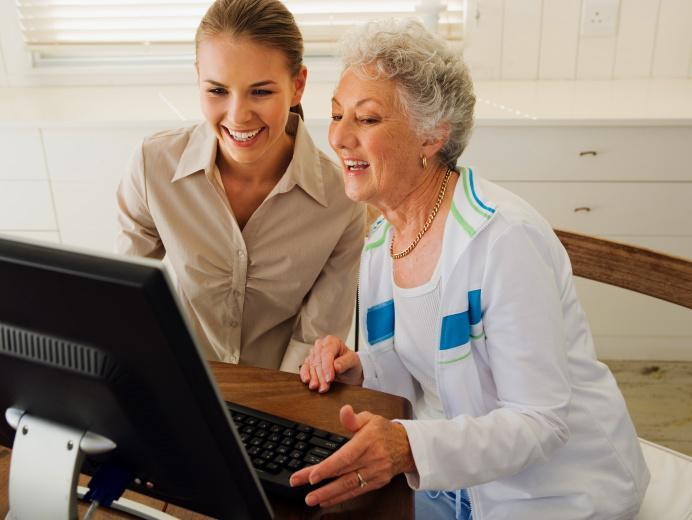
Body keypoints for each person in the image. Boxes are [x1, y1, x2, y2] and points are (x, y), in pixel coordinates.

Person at [291, 18, 650, 519]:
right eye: (336, 115)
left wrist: (409, 447)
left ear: (431, 136)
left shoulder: (505, 241)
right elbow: (412, 376)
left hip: (555, 495)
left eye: (367, 120)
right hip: (449, 483)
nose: (340, 138)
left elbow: (541, 420)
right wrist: (360, 368)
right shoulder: (382, 237)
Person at [116, 0, 363, 371]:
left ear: (297, 86)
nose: (238, 115)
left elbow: (313, 345)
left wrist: (267, 417)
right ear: (198, 78)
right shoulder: (154, 166)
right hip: (179, 378)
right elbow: (123, 298)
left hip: (282, 396)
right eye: (217, 91)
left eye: (260, 92)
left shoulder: (342, 199)